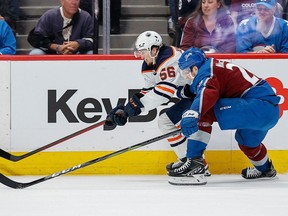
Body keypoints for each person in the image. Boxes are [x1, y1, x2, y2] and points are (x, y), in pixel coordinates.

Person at [167, 47, 280, 185]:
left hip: (257, 106)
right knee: (247, 141)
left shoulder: (207, 73)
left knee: (205, 111)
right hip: (268, 111)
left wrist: (193, 112)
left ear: (195, 68)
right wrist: (186, 91)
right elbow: (203, 87)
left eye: (186, 71)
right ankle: (266, 169)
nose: (185, 75)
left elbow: (207, 91)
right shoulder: (211, 67)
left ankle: (194, 162)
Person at [105, 30, 211, 176]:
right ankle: (189, 161)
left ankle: (195, 163)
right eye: (139, 52)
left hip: (202, 92)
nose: (141, 56)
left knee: (169, 122)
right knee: (165, 122)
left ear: (154, 50)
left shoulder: (170, 58)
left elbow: (163, 93)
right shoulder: (148, 64)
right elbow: (148, 91)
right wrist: (125, 110)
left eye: (143, 52)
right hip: (190, 94)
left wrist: (134, 108)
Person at [28, 0, 93, 55]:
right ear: (62, 1)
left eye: (77, 0)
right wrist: (56, 47)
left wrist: (78, 44)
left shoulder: (85, 17)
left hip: (77, 52)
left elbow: (91, 40)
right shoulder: (49, 16)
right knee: (35, 53)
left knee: (91, 53)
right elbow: (37, 39)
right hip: (52, 52)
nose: (74, 2)